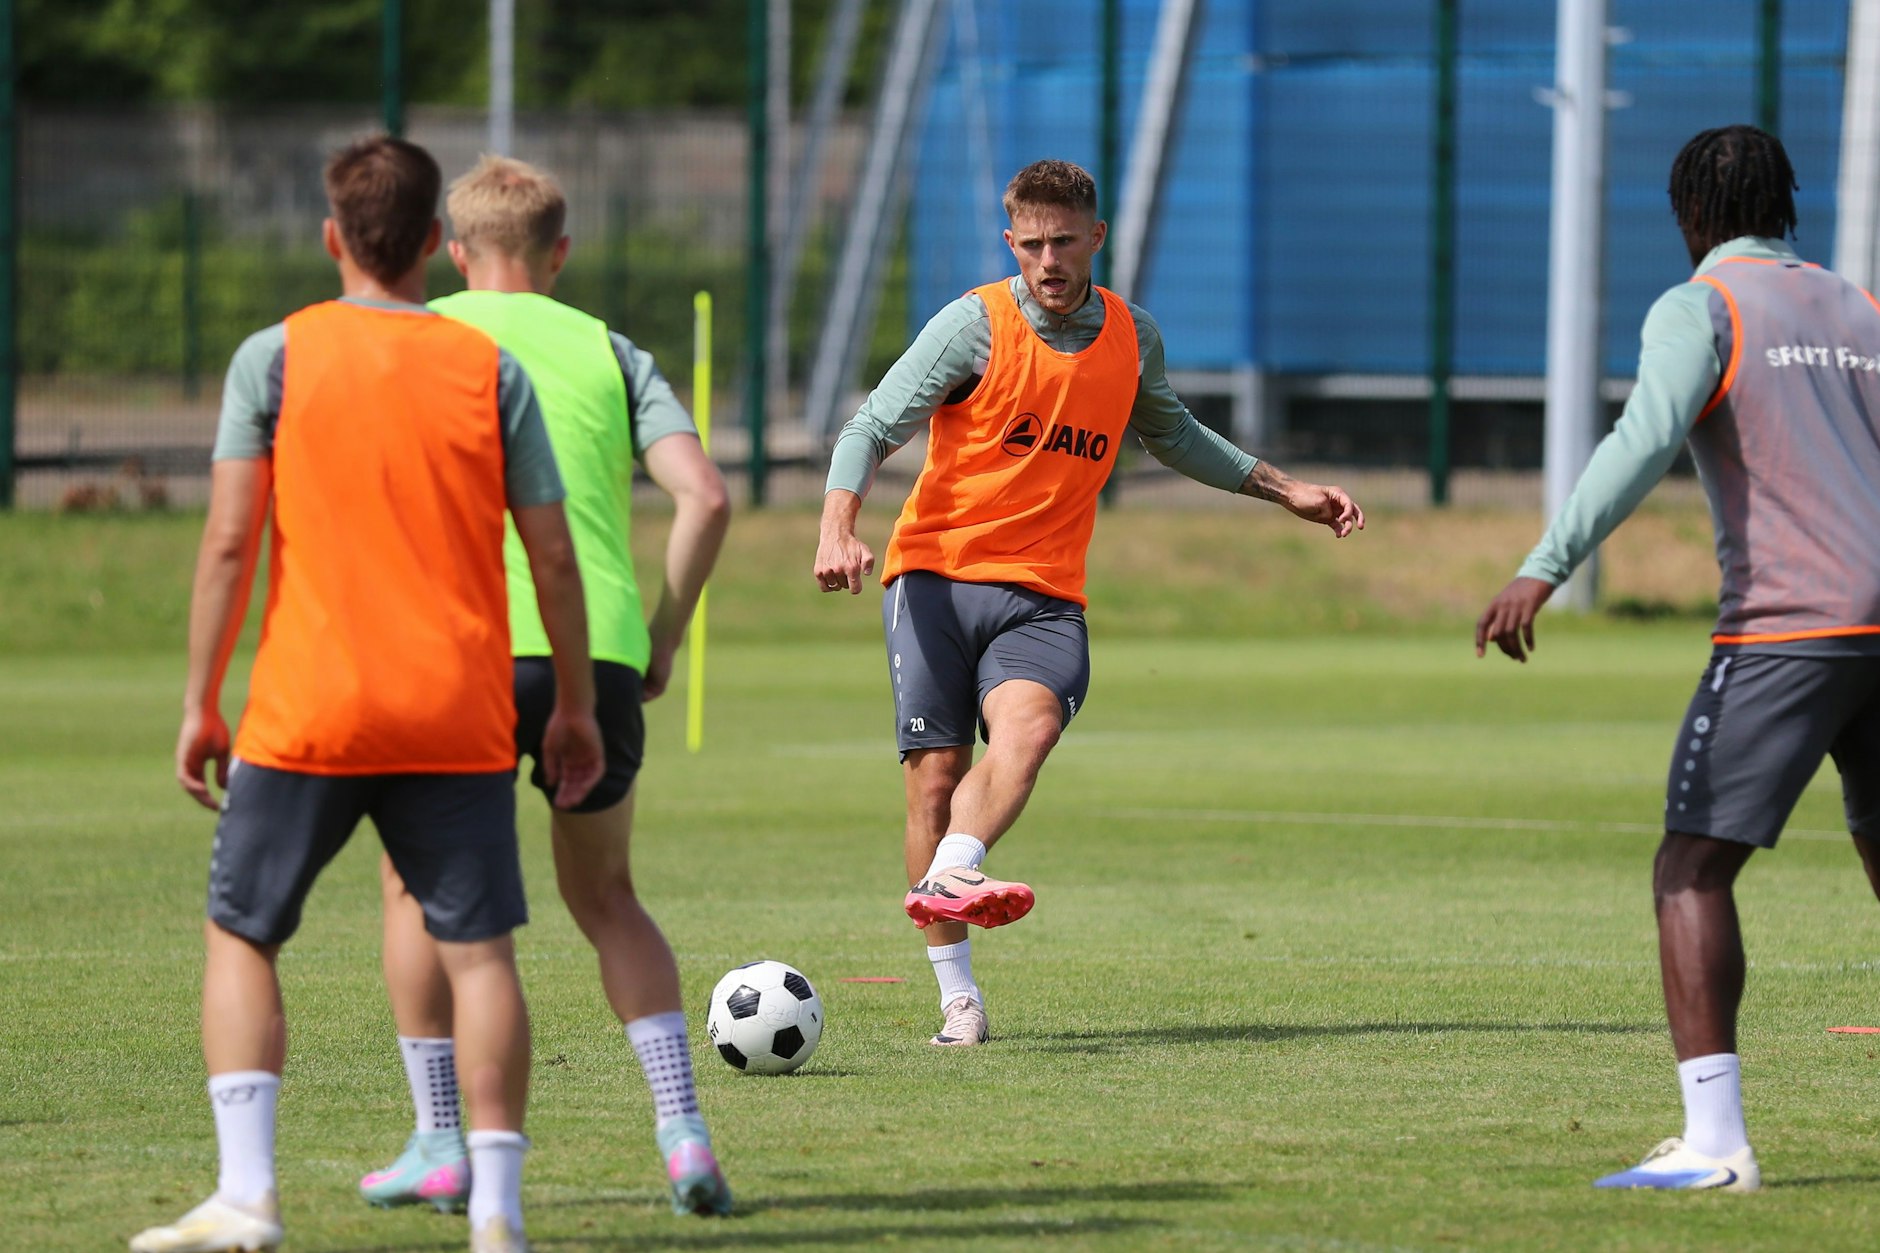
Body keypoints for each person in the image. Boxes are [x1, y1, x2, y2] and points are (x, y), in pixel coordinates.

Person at [136, 136, 603, 1253]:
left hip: (310, 706)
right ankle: (496, 1210)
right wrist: (574, 704)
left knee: (243, 935)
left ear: (334, 239)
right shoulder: (487, 370)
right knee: (481, 952)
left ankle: (248, 1195)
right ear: (439, 247)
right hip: (456, 708)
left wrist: (201, 697)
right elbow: (551, 558)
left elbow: (229, 539)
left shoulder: (277, 356)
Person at [813, 158, 1364, 1047]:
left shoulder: (1130, 337)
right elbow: (870, 427)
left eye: (1064, 241)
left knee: (1027, 734)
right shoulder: (974, 325)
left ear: (1096, 238)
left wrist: (1282, 487)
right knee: (936, 781)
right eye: (1030, 245)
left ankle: (957, 867)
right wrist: (837, 528)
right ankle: (957, 994)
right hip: (935, 580)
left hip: (1042, 597)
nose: (1048, 261)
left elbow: (1172, 431)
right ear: (1011, 244)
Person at [1476, 124, 1880, 1192]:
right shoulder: (1857, 307)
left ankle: (1714, 1142)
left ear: (1688, 215)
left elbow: (1639, 438)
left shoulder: (1700, 304)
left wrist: (1543, 563)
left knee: (1689, 868)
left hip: (1793, 627)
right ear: (1784, 204)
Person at [358, 155, 734, 1220]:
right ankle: (681, 1131)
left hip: (454, 649)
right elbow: (702, 497)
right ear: (560, 254)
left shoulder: (419, 340)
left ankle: (439, 1136)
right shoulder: (610, 350)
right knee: (605, 896)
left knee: (415, 893)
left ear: (447, 249)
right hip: (596, 648)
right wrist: (659, 638)